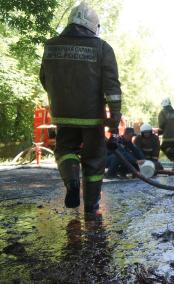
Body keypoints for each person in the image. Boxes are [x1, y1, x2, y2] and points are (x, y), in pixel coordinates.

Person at [39, 3, 122, 212]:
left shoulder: (50, 46)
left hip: (63, 114)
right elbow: (111, 87)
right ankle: (91, 205)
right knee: (94, 158)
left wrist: (61, 100)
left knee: (65, 149)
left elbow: (43, 79)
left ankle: (72, 182)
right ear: (93, 26)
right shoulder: (102, 48)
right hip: (92, 117)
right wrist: (114, 116)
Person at [158, 98, 174, 171]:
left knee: (164, 147)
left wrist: (160, 132)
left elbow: (161, 125)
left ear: (163, 106)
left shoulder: (162, 113)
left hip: (168, 136)